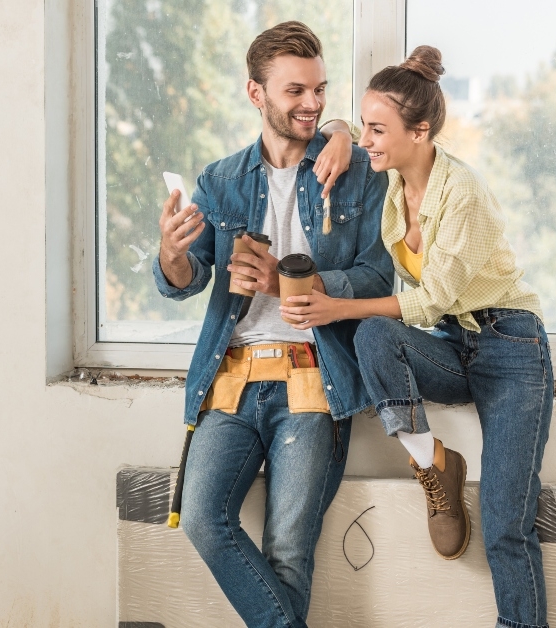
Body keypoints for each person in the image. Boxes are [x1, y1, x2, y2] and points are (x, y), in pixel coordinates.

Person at [281, 46, 553, 628]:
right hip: (456, 345)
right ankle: (433, 462)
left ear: (421, 131)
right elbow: (335, 126)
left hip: (511, 349)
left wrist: (333, 307)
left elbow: (429, 299)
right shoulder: (391, 180)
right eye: (366, 128)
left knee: (507, 521)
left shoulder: (463, 194)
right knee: (375, 338)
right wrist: (336, 132)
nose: (368, 141)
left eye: (378, 130)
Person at [154, 21, 392, 628]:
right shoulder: (220, 180)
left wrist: (299, 286)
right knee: (203, 518)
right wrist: (172, 258)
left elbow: (377, 275)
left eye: (319, 89)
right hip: (230, 382)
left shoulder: (357, 172)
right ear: (256, 94)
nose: (313, 104)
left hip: (313, 380)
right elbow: (187, 280)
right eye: (295, 91)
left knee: (288, 553)